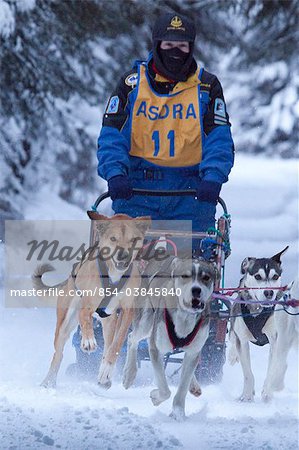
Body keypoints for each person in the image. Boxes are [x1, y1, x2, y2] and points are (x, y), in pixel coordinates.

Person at [70, 12, 234, 383]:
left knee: (190, 270)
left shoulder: (207, 87)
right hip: (136, 193)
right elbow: (111, 133)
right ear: (156, 44)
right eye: (168, 44)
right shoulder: (131, 84)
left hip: (192, 194)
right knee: (121, 269)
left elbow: (220, 139)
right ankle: (94, 341)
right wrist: (114, 173)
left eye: (182, 45)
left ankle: (198, 346)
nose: (175, 51)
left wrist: (213, 178)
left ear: (191, 47)